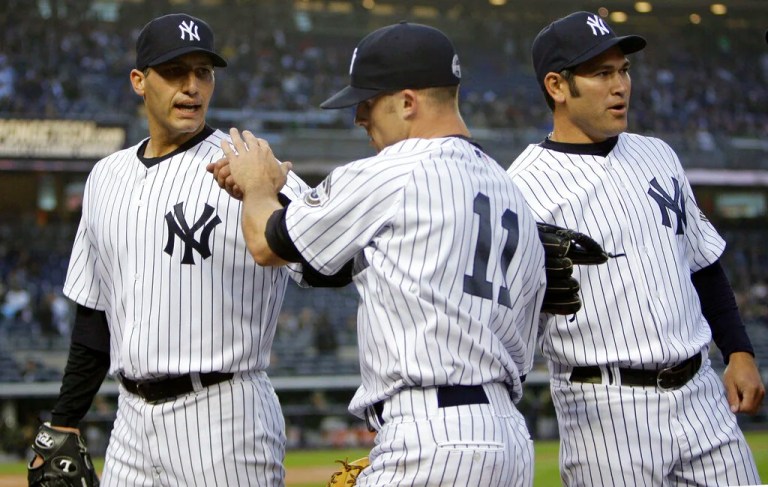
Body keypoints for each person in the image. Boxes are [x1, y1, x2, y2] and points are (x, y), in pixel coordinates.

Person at [210, 21, 547, 486]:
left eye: (366, 103)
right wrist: (279, 186)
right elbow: (325, 266)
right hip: (508, 436)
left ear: (407, 102)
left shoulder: (397, 169)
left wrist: (255, 185)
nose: (359, 118)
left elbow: (266, 243)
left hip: (431, 434)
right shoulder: (510, 190)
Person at [28, 13, 349, 486]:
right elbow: (94, 319)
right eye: (176, 71)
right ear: (140, 81)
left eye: (203, 72)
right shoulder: (105, 176)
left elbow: (332, 266)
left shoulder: (248, 162)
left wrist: (270, 197)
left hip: (225, 418)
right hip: (130, 423)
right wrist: (64, 419)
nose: (192, 86)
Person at [506, 11, 765, 486]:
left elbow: (703, 264)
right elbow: (510, 323)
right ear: (557, 87)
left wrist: (739, 351)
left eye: (623, 70)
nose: (620, 85)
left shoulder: (658, 153)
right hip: (604, 411)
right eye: (602, 74)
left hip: (702, 395)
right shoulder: (522, 190)